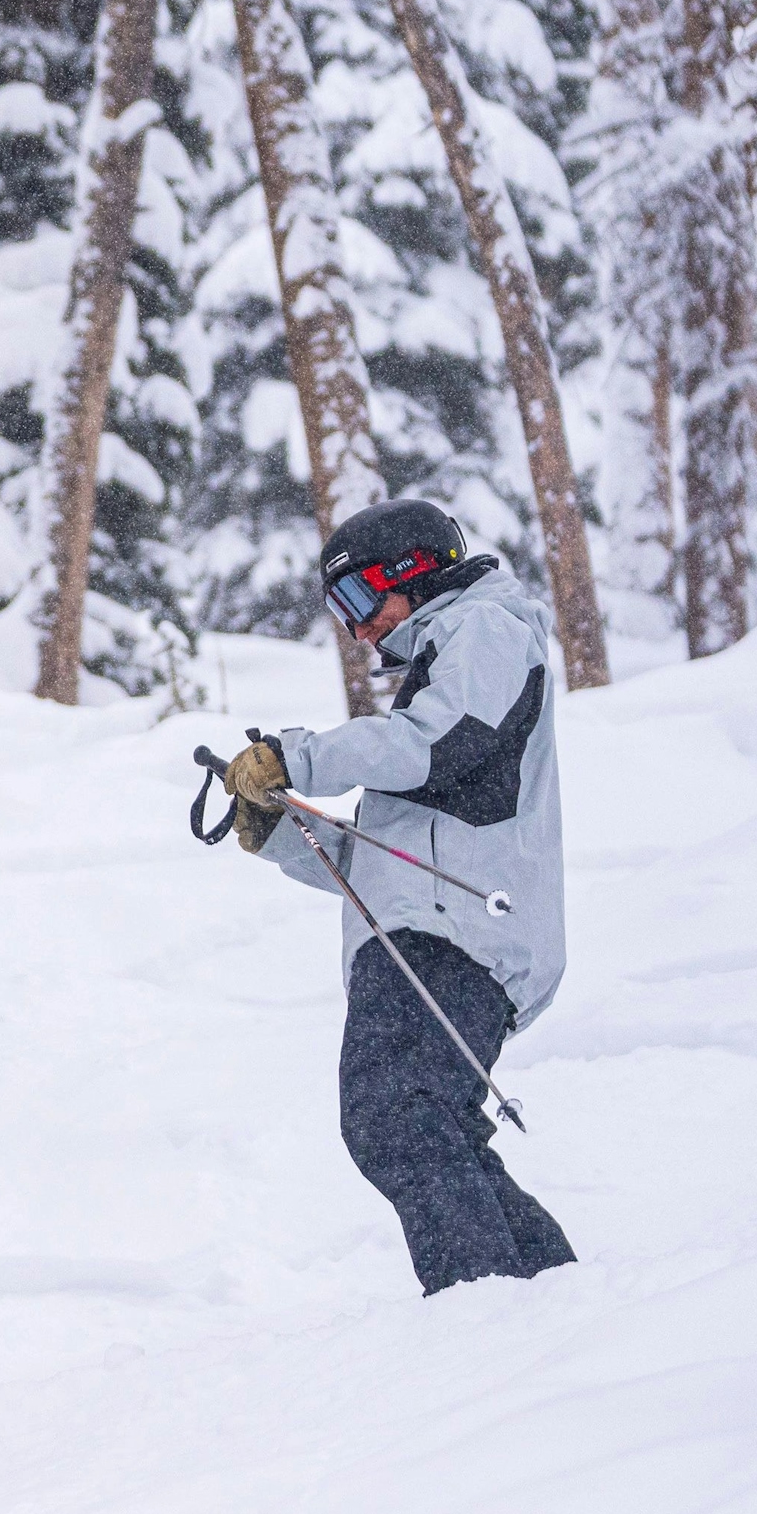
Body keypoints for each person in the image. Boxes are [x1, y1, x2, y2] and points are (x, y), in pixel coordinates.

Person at [218, 496, 577, 1294]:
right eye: (338, 614)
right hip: (434, 931)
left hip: (457, 936)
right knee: (423, 1121)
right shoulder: (440, 668)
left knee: (394, 1116)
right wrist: (279, 831)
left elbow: (435, 744)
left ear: (412, 571)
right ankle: (547, 1299)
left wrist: (296, 757)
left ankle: (482, 1309)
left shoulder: (485, 630)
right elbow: (387, 865)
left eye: (357, 601)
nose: (357, 631)